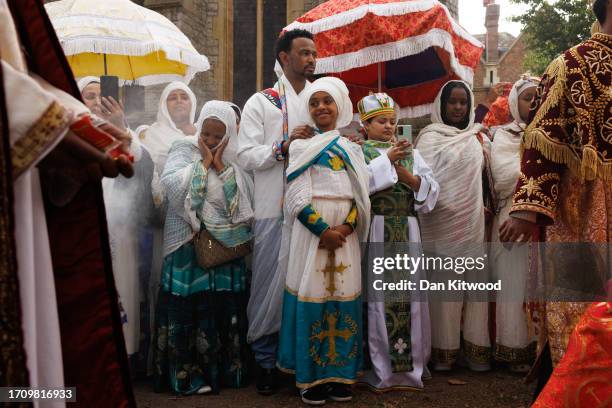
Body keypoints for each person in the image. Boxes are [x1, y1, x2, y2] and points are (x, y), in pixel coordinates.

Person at [1, 0, 135, 406]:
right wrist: (61, 130)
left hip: (26, 168)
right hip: (20, 152)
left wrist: (77, 122)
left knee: (37, 340)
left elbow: (21, 71)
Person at [499, 0, 611, 393]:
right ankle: (573, 391)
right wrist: (527, 209)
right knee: (580, 305)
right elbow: (543, 143)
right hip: (584, 206)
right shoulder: (571, 64)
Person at [276, 77, 370, 405]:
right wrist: (323, 231)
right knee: (312, 295)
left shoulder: (353, 149)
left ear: (340, 105)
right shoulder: (302, 147)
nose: (321, 107)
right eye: (314, 102)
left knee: (343, 298)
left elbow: (362, 197)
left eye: (327, 101)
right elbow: (296, 197)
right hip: (313, 235)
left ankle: (341, 375)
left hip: (345, 236)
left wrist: (344, 229)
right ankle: (311, 377)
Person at [153, 101, 253, 396]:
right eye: (206, 134)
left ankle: (222, 372)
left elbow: (239, 206)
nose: (210, 141)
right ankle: (185, 376)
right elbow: (173, 187)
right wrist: (205, 163)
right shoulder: (183, 148)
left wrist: (221, 165)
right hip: (187, 244)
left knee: (222, 308)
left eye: (218, 137)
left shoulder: (234, 159)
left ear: (229, 137)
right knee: (188, 311)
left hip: (223, 247)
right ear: (199, 128)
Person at [236, 28, 316, 395]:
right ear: (284, 57)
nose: (311, 59)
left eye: (314, 53)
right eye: (303, 52)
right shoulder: (262, 102)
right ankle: (266, 362)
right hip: (273, 208)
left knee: (307, 284)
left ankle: (300, 359)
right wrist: (283, 146)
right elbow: (244, 154)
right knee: (268, 285)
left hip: (313, 209)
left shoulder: (321, 100)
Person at [356, 93, 439, 391]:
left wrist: (409, 178)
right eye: (381, 121)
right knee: (381, 300)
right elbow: (358, 185)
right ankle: (384, 370)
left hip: (408, 228)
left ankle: (413, 366)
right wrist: (385, 162)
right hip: (379, 229)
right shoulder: (360, 152)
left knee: (411, 299)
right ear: (366, 125)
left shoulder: (410, 152)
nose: (389, 126)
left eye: (392, 121)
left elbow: (431, 190)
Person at [414, 80, 494, 372]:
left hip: (471, 222)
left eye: (463, 102)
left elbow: (486, 179)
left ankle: (476, 351)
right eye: (453, 102)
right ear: (442, 105)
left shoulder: (477, 136)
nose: (459, 108)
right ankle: (443, 353)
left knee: (474, 289)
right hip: (440, 222)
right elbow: (423, 181)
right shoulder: (428, 138)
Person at [78, 77, 155, 359]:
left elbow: (141, 169)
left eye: (102, 95)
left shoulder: (126, 136)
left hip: (120, 231)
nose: (97, 101)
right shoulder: (73, 133)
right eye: (89, 95)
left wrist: (120, 127)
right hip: (83, 232)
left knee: (121, 292)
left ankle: (122, 360)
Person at [137, 81, 198, 373]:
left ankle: (195, 355)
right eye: (171, 97)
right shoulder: (151, 134)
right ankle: (158, 359)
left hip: (202, 223)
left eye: (183, 96)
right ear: (163, 104)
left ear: (192, 102)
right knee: (161, 282)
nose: (178, 102)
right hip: (166, 220)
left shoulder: (204, 130)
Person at [490, 75, 539, 373]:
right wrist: (539, 166)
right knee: (513, 283)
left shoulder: (552, 132)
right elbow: (504, 178)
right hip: (512, 212)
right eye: (527, 97)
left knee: (538, 283)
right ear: (514, 102)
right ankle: (512, 349)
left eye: (538, 96)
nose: (533, 102)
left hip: (544, 217)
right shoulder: (504, 135)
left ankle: (540, 348)